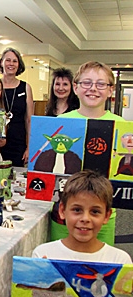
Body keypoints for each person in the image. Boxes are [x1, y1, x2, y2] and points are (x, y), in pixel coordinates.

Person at [52, 61, 125, 246]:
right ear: (75, 88)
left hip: (102, 211)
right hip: (65, 210)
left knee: (99, 265)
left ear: (110, 90)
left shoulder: (121, 126)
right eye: (87, 83)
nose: (93, 89)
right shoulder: (61, 122)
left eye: (101, 84)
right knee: (61, 263)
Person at [32, 170, 131, 263]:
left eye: (95, 211)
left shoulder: (119, 260)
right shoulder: (43, 254)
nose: (85, 219)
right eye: (77, 210)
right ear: (62, 210)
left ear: (106, 216)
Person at [0, 47, 34, 167]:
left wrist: (29, 148)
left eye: (15, 61)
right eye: (8, 60)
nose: (11, 64)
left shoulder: (25, 87)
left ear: (19, 65)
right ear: (2, 62)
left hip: (19, 142)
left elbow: (29, 120)